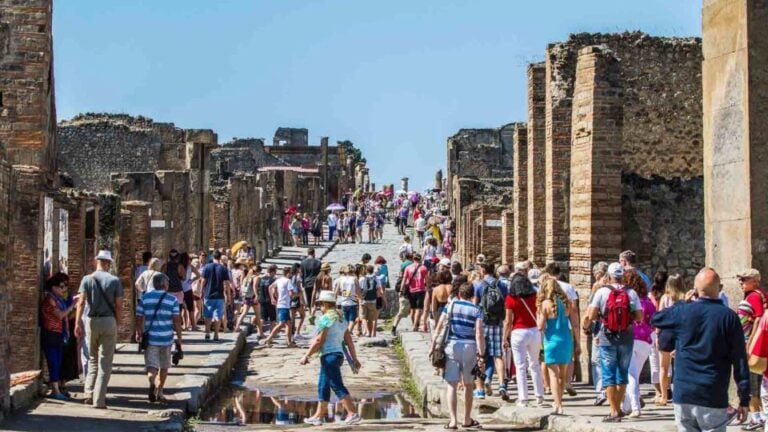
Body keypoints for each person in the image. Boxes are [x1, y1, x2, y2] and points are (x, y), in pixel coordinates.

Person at [652, 267, 749, 431]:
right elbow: (740, 360)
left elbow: (657, 319)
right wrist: (744, 399)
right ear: (720, 289)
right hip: (712, 393)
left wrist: (683, 302)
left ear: (695, 291)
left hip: (683, 393)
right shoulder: (729, 317)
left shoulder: (683, 311)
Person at [587, 262, 643, 422]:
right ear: (622, 275)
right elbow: (639, 317)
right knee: (622, 374)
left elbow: (591, 315)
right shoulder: (631, 293)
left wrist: (601, 317)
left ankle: (614, 411)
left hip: (607, 336)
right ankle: (618, 409)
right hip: (626, 336)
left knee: (609, 374)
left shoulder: (602, 292)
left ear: (609, 276)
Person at [299, 291, 362, 426]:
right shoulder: (341, 319)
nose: (320, 307)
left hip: (329, 356)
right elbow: (349, 341)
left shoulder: (326, 318)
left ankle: (352, 413)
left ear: (325, 304)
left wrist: (307, 355)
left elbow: (319, 340)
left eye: (320, 304)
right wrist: (354, 358)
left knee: (336, 384)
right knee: (323, 385)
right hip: (337, 355)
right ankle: (318, 416)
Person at [430, 282, 485, 430]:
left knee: (451, 384)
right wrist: (481, 354)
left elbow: (439, 326)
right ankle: (467, 419)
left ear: (459, 294)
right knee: (468, 385)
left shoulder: (451, 306)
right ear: (473, 295)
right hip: (469, 346)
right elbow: (479, 333)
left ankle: (453, 420)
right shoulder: (477, 309)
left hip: (452, 346)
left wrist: (433, 345)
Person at [74, 250, 124, 409]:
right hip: (109, 320)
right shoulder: (114, 280)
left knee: (92, 360)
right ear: (108, 263)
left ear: (97, 261)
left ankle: (88, 392)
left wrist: (77, 323)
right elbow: (119, 305)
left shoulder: (87, 279)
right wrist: (119, 321)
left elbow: (81, 303)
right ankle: (99, 400)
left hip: (91, 321)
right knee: (105, 363)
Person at [135, 272, 183, 403]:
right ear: (164, 285)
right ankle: (160, 391)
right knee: (164, 366)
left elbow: (138, 318)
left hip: (150, 338)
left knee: (152, 365)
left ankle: (152, 381)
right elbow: (177, 320)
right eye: (167, 283)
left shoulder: (145, 298)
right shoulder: (172, 300)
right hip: (166, 338)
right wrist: (179, 337)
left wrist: (139, 332)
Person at [503, 262, 545, 407]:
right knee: (534, 364)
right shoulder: (535, 295)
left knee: (520, 366)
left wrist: (504, 338)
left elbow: (508, 321)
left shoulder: (510, 299)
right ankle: (539, 395)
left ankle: (523, 398)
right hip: (534, 331)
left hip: (518, 332)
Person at [620, 270, 656, 418]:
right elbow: (654, 321)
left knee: (631, 375)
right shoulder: (648, 302)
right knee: (634, 374)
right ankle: (626, 406)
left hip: (630, 339)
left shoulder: (627, 300)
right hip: (646, 342)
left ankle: (635, 408)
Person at [736, 268, 767, 430]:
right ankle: (760, 416)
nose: (741, 282)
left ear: (755, 281)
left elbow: (758, 319)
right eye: (740, 279)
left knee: (752, 381)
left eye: (745, 279)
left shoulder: (754, 296)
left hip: (751, 344)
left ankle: (757, 418)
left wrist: (751, 342)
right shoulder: (756, 295)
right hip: (753, 343)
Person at [537, 276, 573, 415]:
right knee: (562, 375)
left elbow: (540, 326)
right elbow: (574, 323)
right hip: (566, 340)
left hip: (551, 340)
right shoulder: (567, 303)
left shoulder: (544, 304)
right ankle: (560, 401)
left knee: (553, 375)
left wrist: (539, 315)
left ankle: (557, 405)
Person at [472, 262, 507, 400]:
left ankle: (480, 389)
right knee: (498, 355)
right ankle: (502, 385)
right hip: (497, 323)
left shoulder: (479, 285)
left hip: (482, 323)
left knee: (480, 356)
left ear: (483, 270)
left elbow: (475, 305)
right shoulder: (502, 285)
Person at [41, 276, 76, 400]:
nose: (64, 289)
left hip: (59, 333)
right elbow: (60, 315)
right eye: (61, 287)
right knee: (53, 362)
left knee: (58, 362)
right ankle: (55, 390)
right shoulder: (50, 300)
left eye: (65, 286)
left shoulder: (59, 299)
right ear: (54, 287)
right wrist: (71, 306)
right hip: (50, 333)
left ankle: (57, 388)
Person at [657, 273, 687, 406]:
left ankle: (664, 396)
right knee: (680, 366)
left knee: (663, 367)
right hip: (681, 333)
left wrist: (657, 335)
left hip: (666, 333)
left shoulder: (665, 298)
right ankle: (679, 395)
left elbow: (660, 317)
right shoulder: (685, 298)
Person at [582, 261, 609, 407]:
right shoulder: (617, 287)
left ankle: (601, 391)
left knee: (597, 360)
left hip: (600, 327)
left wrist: (585, 325)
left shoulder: (598, 287)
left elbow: (591, 309)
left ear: (599, 273)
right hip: (617, 329)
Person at [199, 250, 233, 341]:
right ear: (220, 257)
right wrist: (228, 296)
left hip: (208, 294)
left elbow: (203, 281)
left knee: (207, 315)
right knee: (218, 315)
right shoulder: (223, 268)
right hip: (219, 295)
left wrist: (201, 291)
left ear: (212, 257)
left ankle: (207, 333)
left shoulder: (207, 267)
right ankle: (216, 335)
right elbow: (226, 283)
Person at [264, 266, 299, 348]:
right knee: (281, 324)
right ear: (288, 273)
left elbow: (270, 287)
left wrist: (272, 298)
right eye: (290, 273)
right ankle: (268, 339)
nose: (291, 274)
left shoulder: (278, 280)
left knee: (289, 324)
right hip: (284, 304)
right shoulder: (288, 281)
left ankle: (289, 342)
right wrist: (298, 294)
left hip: (281, 304)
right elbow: (291, 293)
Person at [235, 264, 265, 337]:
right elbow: (255, 286)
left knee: (244, 313)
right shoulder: (256, 277)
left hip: (247, 296)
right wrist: (257, 295)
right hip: (253, 297)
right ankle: (260, 333)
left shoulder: (248, 276)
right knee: (258, 315)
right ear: (258, 271)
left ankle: (237, 326)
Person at [401, 254, 429, 332]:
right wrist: (428, 288)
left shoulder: (408, 268)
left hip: (411, 290)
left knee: (412, 309)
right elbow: (427, 280)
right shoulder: (424, 268)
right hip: (420, 290)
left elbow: (404, 280)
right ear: (420, 259)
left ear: (413, 259)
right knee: (419, 309)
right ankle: (415, 325)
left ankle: (414, 324)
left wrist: (401, 290)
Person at [360, 265, 386, 337]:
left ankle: (367, 331)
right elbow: (380, 291)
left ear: (366, 271)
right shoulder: (376, 279)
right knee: (371, 319)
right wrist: (384, 300)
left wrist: (359, 299)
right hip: (373, 301)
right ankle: (371, 334)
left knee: (363, 317)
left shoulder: (362, 279)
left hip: (364, 300)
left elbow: (359, 290)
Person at [301, 248, 322, 317]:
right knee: (317, 298)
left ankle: (310, 313)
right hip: (316, 282)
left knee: (309, 298)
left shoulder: (303, 262)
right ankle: (314, 309)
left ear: (307, 253)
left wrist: (303, 283)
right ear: (314, 253)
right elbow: (320, 274)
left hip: (307, 282)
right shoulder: (318, 262)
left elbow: (302, 274)